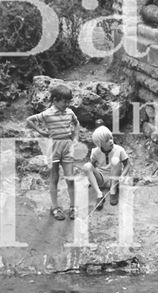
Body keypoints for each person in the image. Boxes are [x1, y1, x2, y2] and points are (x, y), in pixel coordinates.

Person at [26, 84, 80, 220]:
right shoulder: (47, 114)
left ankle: (73, 207)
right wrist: (41, 132)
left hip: (67, 146)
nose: (67, 104)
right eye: (64, 101)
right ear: (55, 100)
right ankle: (55, 208)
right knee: (54, 177)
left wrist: (76, 138)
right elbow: (29, 120)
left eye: (69, 101)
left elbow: (76, 123)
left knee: (70, 178)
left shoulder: (70, 112)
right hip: (53, 147)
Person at [83, 124, 130, 210]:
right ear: (100, 144)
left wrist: (123, 176)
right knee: (87, 166)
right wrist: (91, 179)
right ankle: (99, 194)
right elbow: (92, 166)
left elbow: (127, 164)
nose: (111, 141)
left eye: (111, 138)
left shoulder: (119, 149)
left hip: (114, 180)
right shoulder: (95, 152)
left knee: (115, 161)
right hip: (101, 180)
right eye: (107, 140)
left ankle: (113, 191)